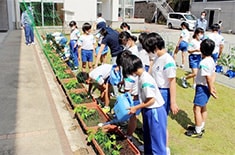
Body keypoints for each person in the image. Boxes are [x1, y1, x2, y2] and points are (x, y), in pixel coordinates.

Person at [122, 54, 167, 154]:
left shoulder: (145, 80)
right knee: (148, 138)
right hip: (148, 110)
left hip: (154, 111)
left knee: (156, 142)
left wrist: (136, 107)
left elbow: (151, 100)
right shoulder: (141, 77)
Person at [143, 32, 179, 155]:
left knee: (160, 124)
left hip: (163, 92)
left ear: (155, 47)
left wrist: (173, 102)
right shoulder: (158, 58)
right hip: (156, 91)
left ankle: (163, 149)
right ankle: (155, 147)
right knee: (155, 125)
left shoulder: (168, 60)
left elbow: (172, 81)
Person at [185, 39, 217, 138]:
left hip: (203, 87)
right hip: (206, 86)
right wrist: (212, 85)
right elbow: (213, 73)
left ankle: (198, 130)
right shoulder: (211, 60)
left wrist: (211, 88)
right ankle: (200, 125)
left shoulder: (204, 63)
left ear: (201, 49)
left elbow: (207, 77)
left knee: (196, 108)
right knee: (203, 106)